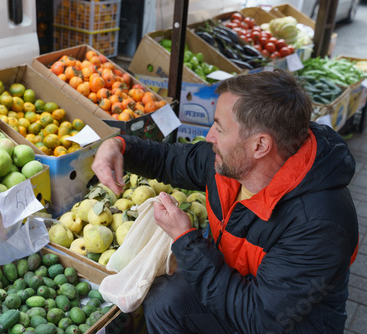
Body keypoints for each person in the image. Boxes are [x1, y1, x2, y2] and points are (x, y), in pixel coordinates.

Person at [91, 69, 359, 333]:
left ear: (260, 146)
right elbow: (169, 159)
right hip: (239, 292)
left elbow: (260, 320)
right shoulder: (230, 164)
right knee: (166, 300)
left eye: (219, 128)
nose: (209, 137)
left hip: (283, 325)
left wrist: (185, 239)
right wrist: (119, 147)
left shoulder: (321, 223)